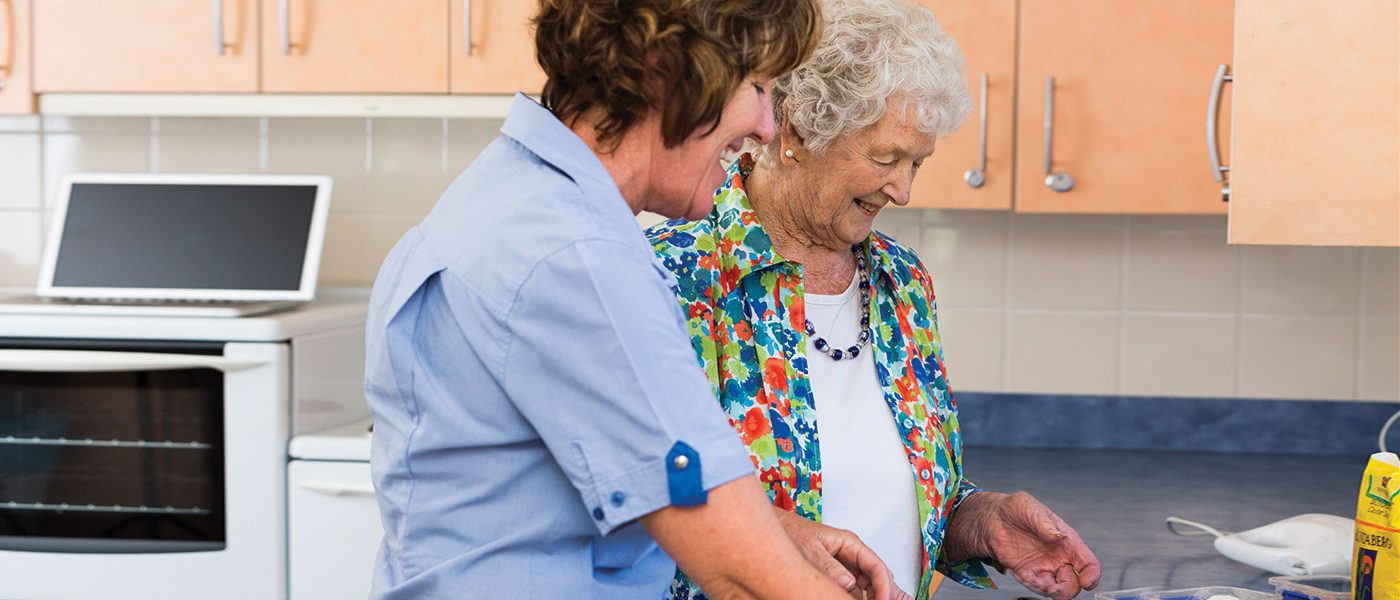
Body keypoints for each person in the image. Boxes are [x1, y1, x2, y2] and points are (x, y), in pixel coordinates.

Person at [363, 1, 911, 598]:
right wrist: (756, 551)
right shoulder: (579, 258)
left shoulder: (498, 197)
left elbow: (547, 490)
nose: (766, 125)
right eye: (756, 86)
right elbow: (740, 576)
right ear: (667, 71)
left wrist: (772, 530)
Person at [645, 1, 1102, 599]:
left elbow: (891, 498)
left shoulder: (903, 282)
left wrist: (977, 521)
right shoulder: (675, 276)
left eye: (918, 162)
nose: (905, 190)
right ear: (800, 131)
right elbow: (628, 500)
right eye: (887, 158)